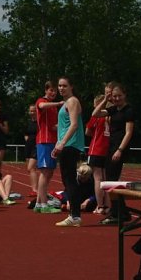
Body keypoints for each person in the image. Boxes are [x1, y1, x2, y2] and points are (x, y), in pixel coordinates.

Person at [99, 83, 136, 225]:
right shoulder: (113, 109)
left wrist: (120, 150)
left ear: (124, 95)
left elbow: (129, 132)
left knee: (112, 180)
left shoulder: (128, 110)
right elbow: (95, 113)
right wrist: (105, 99)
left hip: (119, 148)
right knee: (110, 180)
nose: (116, 98)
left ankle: (118, 213)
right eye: (114, 96)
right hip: (111, 146)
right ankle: (121, 212)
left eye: (119, 95)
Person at [51, 76, 85, 227]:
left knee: (69, 180)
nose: (61, 88)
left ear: (71, 87)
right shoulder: (66, 103)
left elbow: (74, 125)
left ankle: (75, 215)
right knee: (67, 180)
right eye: (59, 86)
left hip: (70, 145)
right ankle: (74, 215)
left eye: (64, 85)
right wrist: (58, 143)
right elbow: (64, 126)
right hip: (65, 145)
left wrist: (63, 143)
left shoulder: (72, 101)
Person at [34, 82, 63, 213]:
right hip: (44, 141)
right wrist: (58, 103)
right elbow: (41, 106)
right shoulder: (42, 101)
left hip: (52, 141)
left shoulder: (53, 108)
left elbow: (53, 126)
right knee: (45, 172)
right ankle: (43, 204)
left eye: (55, 91)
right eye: (51, 90)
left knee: (49, 172)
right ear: (46, 90)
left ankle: (39, 203)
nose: (53, 93)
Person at [85, 94, 110, 214]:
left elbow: (88, 131)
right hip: (108, 149)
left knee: (98, 179)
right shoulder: (111, 115)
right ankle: (108, 205)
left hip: (96, 149)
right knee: (107, 179)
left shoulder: (97, 116)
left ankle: (100, 206)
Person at [24, 104, 38, 202]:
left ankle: (35, 189)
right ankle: (34, 188)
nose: (32, 112)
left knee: (31, 167)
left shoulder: (39, 122)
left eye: (34, 111)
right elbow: (25, 133)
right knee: (30, 169)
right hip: (28, 146)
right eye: (31, 111)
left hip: (36, 146)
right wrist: (27, 140)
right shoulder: (28, 122)